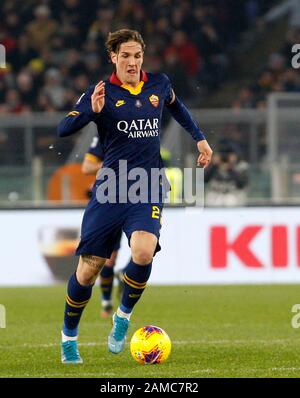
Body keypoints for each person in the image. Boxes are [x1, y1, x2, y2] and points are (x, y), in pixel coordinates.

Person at [57, 29, 213, 364]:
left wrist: (199, 139)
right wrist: (90, 111)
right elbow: (63, 129)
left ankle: (122, 318)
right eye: (125, 55)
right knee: (88, 270)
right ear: (113, 56)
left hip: (148, 185)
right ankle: (69, 338)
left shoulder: (159, 84)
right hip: (111, 188)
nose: (132, 62)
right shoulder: (100, 92)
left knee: (143, 252)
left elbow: (179, 108)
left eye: (137, 55)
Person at [81, 134, 128, 317]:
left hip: (139, 197)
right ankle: (107, 302)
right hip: (110, 200)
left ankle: (125, 273)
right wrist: (112, 167)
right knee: (108, 260)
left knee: (147, 247)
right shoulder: (105, 136)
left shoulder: (143, 131)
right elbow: (86, 167)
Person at [204, 139, 249, 207]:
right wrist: (214, 165)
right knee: (213, 199)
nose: (225, 157)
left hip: (233, 194)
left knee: (230, 200)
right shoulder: (214, 166)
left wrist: (231, 168)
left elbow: (241, 185)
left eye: (228, 154)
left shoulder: (241, 165)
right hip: (215, 194)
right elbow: (205, 180)